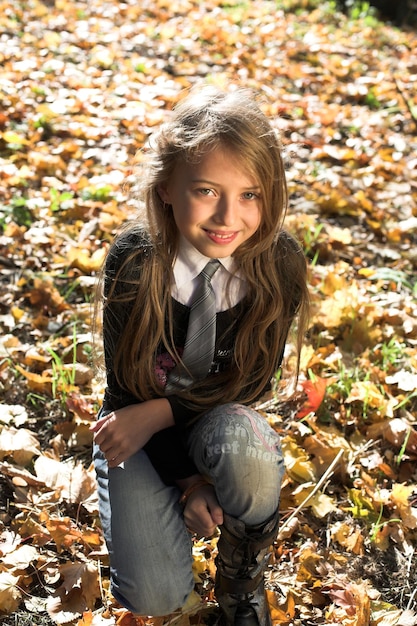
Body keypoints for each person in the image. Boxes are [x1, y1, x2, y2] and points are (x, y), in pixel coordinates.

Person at [92, 85, 309, 626]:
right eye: (207, 190)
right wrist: (187, 481)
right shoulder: (137, 260)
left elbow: (254, 378)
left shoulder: (277, 263)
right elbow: (129, 391)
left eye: (250, 195)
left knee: (249, 458)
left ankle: (242, 569)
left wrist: (165, 412)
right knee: (154, 596)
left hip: (210, 420)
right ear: (167, 187)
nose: (227, 216)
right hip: (136, 427)